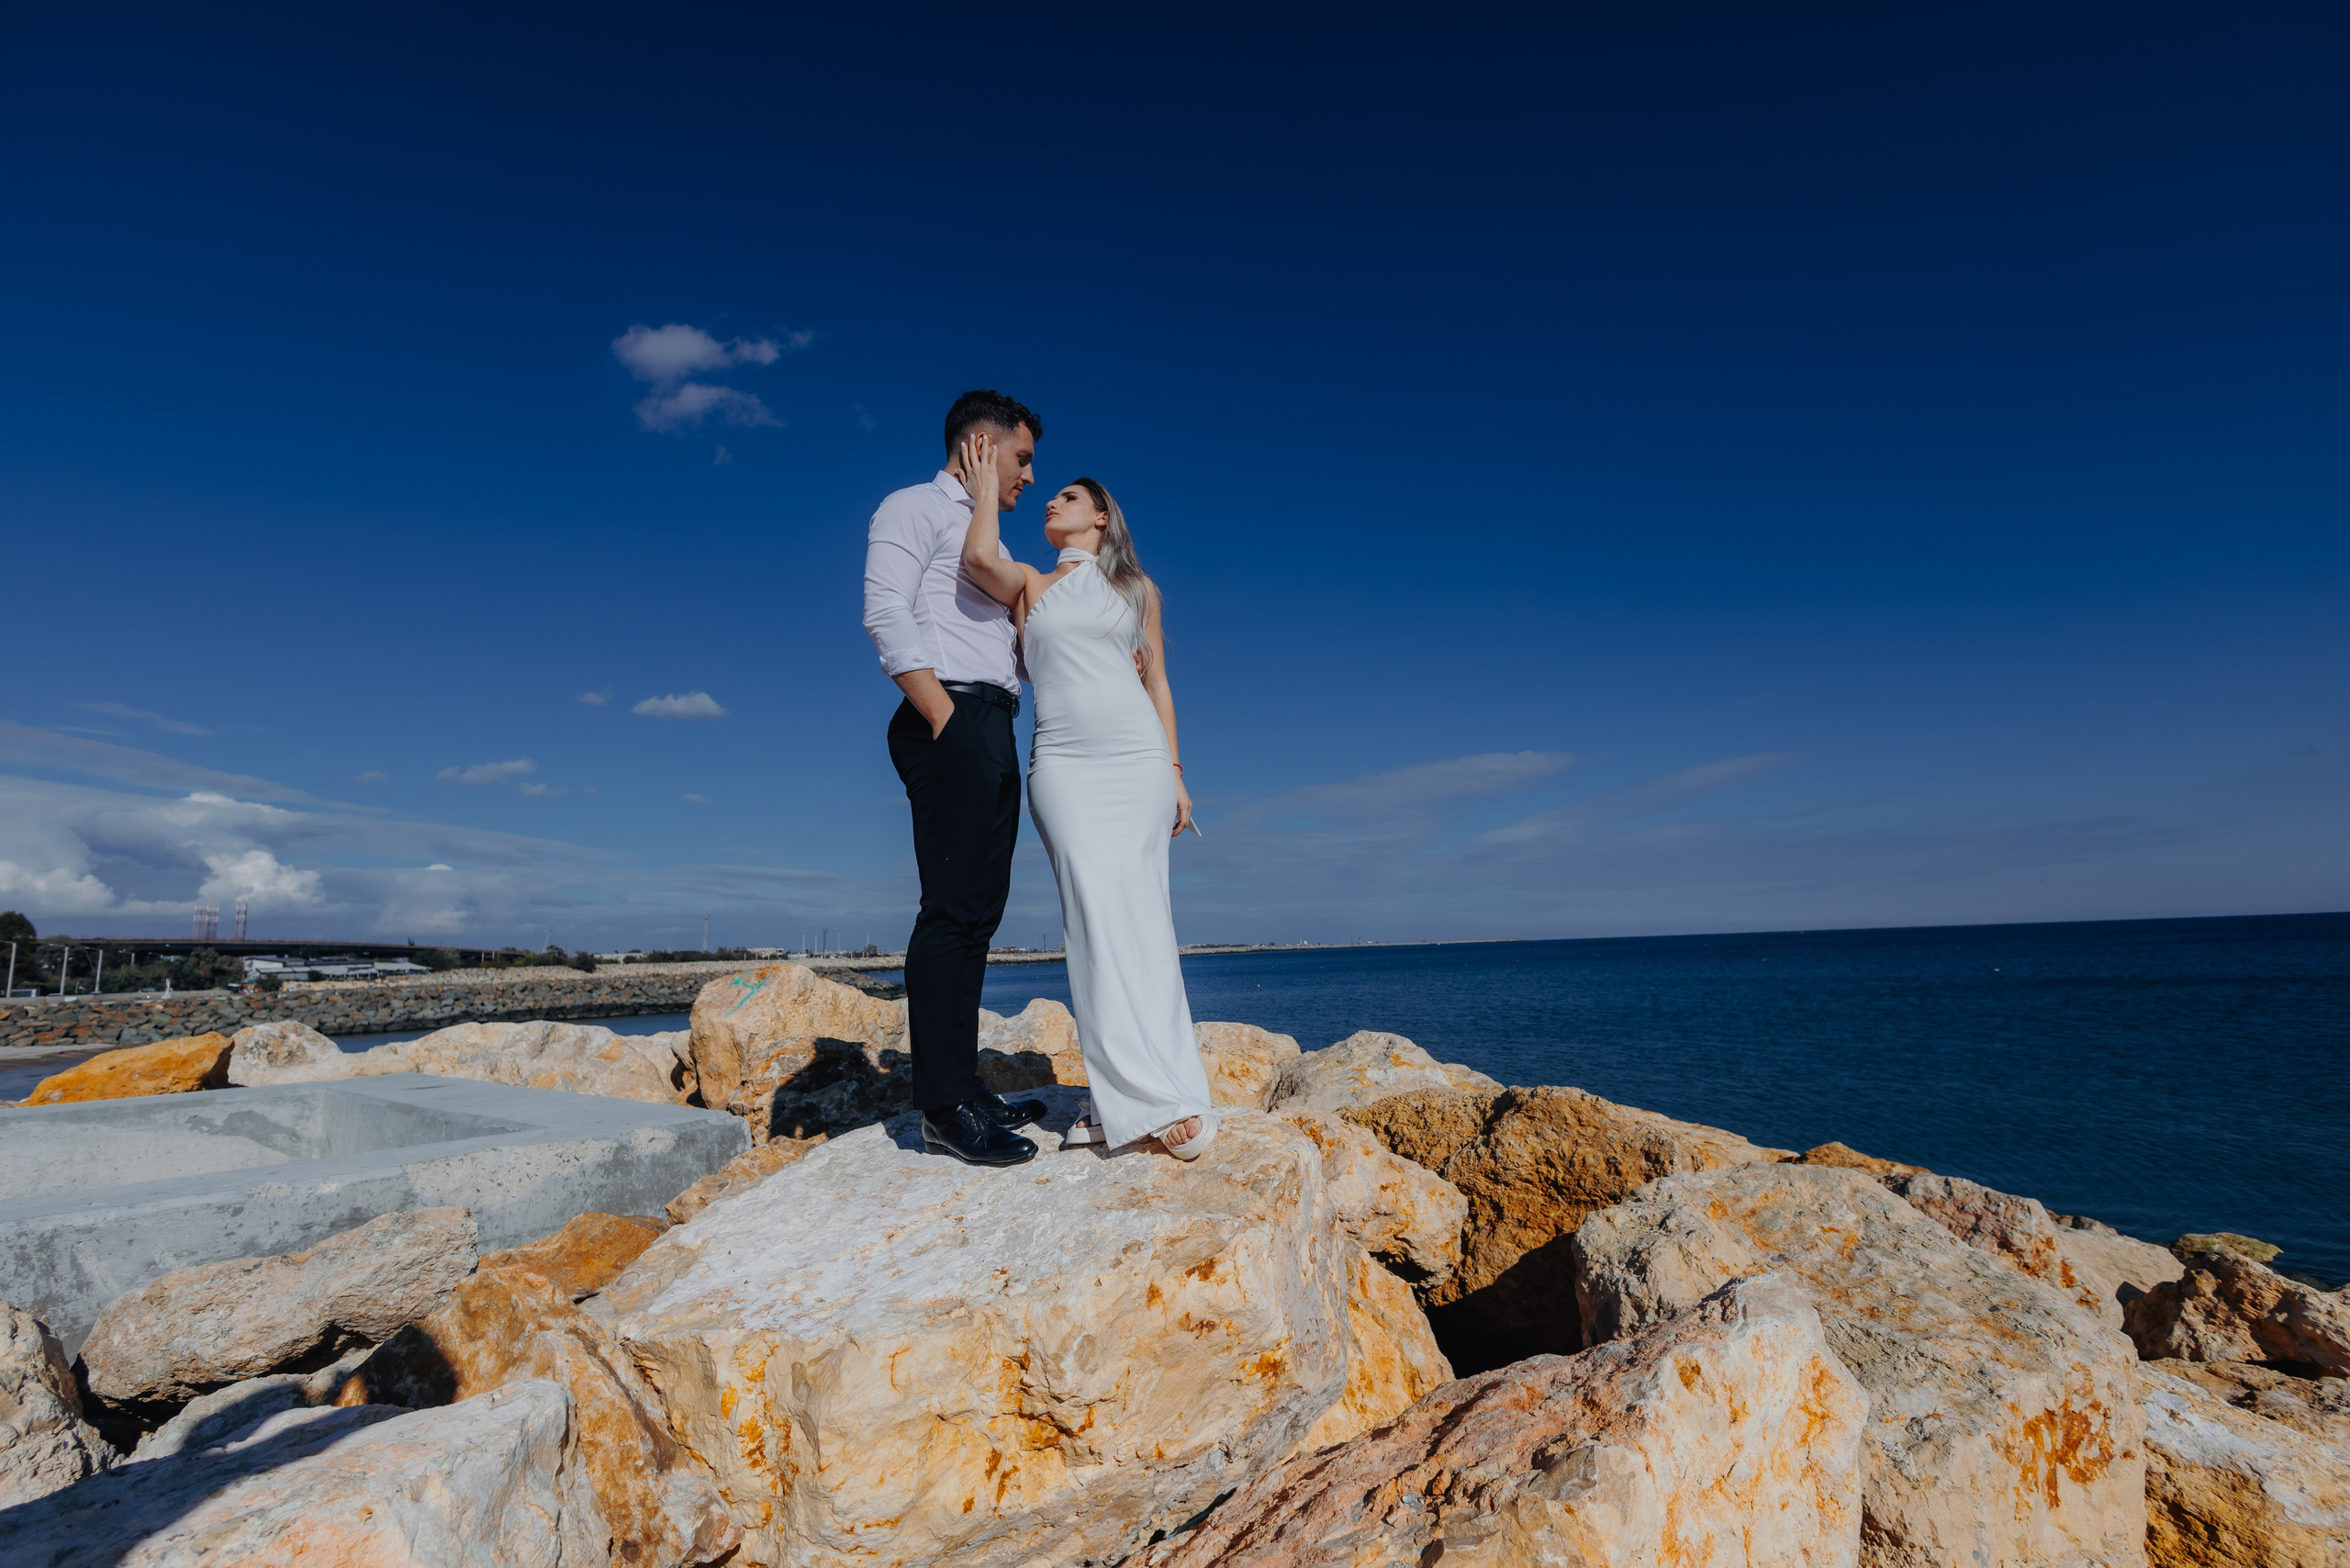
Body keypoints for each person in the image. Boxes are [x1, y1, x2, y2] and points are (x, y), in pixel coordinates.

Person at [955, 430, 1218, 1160]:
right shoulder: (1032, 586)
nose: (1051, 501)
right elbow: (977, 558)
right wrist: (983, 489)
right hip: (1064, 767)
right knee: (1093, 928)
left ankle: (1127, 1102)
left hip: (1136, 762)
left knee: (1144, 923)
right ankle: (1138, 1101)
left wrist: (1175, 774)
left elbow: (1158, 681)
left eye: (1068, 496)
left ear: (1101, 517)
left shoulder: (1137, 590)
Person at [862, 390, 1051, 1166]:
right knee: (950, 913)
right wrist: (941, 713)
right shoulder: (913, 507)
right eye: (1023, 458)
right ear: (981, 445)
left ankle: (962, 1086)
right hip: (954, 718)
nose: (1031, 477)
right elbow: (884, 611)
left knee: (979, 915)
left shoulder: (982, 530)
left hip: (991, 721)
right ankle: (941, 1109)